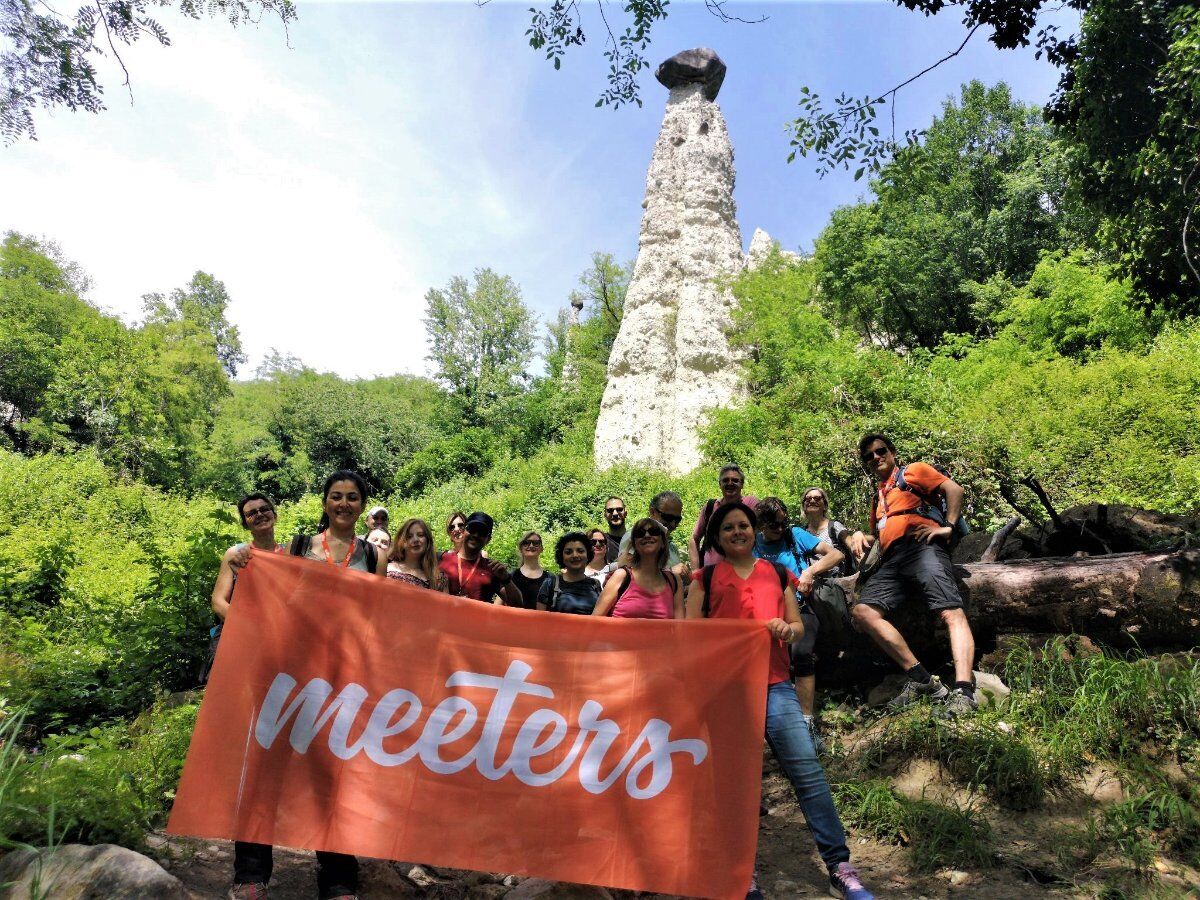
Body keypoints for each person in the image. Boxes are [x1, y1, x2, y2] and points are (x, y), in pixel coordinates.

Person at [686, 502, 874, 900]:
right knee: (736, 783)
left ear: (753, 530)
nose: (737, 532)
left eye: (743, 525)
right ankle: (742, 872)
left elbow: (797, 625)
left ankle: (839, 867)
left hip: (775, 685)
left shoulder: (776, 573)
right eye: (728, 528)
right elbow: (691, 636)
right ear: (716, 538)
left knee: (807, 772)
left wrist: (786, 631)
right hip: (727, 692)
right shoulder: (704, 578)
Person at [225, 471, 384, 900]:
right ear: (325, 502)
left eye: (353, 497)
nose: (344, 504)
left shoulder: (373, 555)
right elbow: (273, 596)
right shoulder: (297, 547)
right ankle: (251, 873)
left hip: (343, 677)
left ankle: (338, 878)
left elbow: (379, 615)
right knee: (267, 766)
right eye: (337, 496)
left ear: (361, 504)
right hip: (290, 672)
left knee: (333, 774)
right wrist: (242, 562)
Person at [845, 433, 977, 716]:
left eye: (880, 451)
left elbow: (954, 490)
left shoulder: (913, 471)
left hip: (922, 548)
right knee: (863, 612)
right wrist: (860, 536)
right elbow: (879, 536)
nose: (875, 458)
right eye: (869, 456)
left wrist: (948, 527)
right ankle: (923, 681)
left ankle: (964, 691)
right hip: (892, 561)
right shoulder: (878, 497)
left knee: (951, 611)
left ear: (892, 452)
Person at [753, 497, 844, 717]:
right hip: (764, 614)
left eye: (783, 522)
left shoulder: (794, 535)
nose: (780, 528)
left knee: (801, 653)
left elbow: (836, 554)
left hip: (800, 608)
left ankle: (806, 719)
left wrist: (809, 572)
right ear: (762, 525)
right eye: (774, 525)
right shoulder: (752, 543)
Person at [211, 493, 287, 624]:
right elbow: (218, 602)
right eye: (251, 513)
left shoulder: (289, 553)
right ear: (245, 524)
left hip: (282, 626)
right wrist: (248, 626)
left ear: (274, 516)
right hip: (246, 628)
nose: (259, 514)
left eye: (264, 509)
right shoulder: (236, 554)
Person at [592, 519, 683, 619]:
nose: (647, 535)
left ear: (663, 543)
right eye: (640, 533)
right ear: (634, 544)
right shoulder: (621, 576)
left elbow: (680, 625)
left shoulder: (674, 581)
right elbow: (594, 620)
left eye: (654, 531)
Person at [438, 512, 520, 604]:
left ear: (488, 539)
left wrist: (506, 579)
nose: (476, 535)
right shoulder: (441, 558)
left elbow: (517, 603)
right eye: (472, 529)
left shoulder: (492, 569)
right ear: (464, 531)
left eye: (482, 532)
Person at [689, 464, 760, 569]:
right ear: (720, 484)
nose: (730, 483)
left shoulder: (750, 504)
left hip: (743, 572)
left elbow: (762, 534)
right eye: (725, 480)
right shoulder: (710, 507)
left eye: (735, 480)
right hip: (711, 573)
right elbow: (694, 538)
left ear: (742, 484)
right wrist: (695, 571)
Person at [607, 490, 689, 579]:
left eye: (677, 520)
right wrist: (670, 571)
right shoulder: (637, 535)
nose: (673, 524)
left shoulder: (673, 548)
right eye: (668, 517)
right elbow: (626, 572)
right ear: (652, 512)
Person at [538, 531, 603, 614]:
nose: (575, 555)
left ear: (588, 555)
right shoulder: (550, 584)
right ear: (561, 557)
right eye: (568, 552)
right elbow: (539, 619)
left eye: (580, 551)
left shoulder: (595, 585)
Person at [387, 518, 448, 591]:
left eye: (420, 535)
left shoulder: (438, 579)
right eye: (409, 536)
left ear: (428, 541)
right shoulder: (387, 569)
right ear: (401, 542)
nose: (415, 540)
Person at [510, 530, 550, 610]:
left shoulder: (550, 578)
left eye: (536, 543)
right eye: (526, 543)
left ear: (542, 548)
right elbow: (497, 605)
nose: (531, 546)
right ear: (520, 548)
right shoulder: (511, 576)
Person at [602, 496, 627, 563]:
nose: (615, 513)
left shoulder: (635, 540)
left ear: (625, 513)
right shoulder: (600, 543)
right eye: (610, 510)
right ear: (605, 515)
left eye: (619, 509)